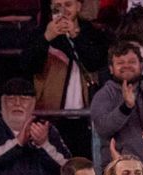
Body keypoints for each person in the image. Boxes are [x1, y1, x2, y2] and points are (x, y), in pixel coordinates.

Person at [22, 0, 109, 159]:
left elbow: (95, 63)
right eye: (57, 6)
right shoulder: (39, 33)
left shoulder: (93, 33)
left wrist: (77, 36)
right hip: (51, 116)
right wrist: (46, 38)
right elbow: (27, 66)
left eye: (68, 5)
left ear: (79, 7)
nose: (63, 10)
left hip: (86, 117)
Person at [90, 41, 143, 167]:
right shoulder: (103, 95)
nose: (126, 66)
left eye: (132, 62)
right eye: (120, 63)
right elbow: (103, 128)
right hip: (121, 171)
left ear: (141, 65)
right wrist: (125, 108)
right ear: (111, 68)